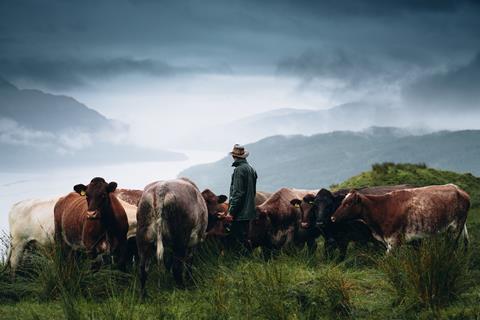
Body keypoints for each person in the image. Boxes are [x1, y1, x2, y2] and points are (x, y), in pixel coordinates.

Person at [228, 144, 257, 251]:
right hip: (249, 211)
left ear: (233, 156)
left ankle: (239, 261)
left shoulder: (239, 170)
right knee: (246, 238)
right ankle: (247, 261)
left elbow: (238, 193)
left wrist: (231, 212)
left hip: (239, 213)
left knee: (237, 240)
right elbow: (252, 192)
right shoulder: (251, 169)